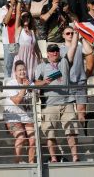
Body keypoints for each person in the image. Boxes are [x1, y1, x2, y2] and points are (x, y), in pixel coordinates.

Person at [34, 30, 80, 163]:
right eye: (52, 51)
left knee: (71, 131)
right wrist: (44, 82)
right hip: (49, 103)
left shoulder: (64, 62)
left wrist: (76, 34)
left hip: (67, 101)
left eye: (56, 51)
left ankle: (75, 157)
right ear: (47, 54)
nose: (55, 53)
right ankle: (53, 158)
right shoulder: (41, 66)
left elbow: (73, 47)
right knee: (50, 133)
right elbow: (35, 83)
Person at [4, 60, 35, 163]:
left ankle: (31, 163)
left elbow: (36, 98)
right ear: (15, 72)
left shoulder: (30, 82)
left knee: (33, 139)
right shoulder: (10, 84)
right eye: (20, 70)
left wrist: (33, 90)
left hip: (27, 116)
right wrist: (25, 88)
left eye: (24, 69)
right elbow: (17, 101)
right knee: (21, 137)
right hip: (12, 117)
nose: (22, 72)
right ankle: (17, 162)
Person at [60, 26, 92, 127]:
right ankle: (74, 133)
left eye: (72, 33)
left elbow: (89, 51)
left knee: (81, 111)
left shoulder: (79, 46)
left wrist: (81, 38)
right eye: (68, 33)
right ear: (63, 35)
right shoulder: (60, 49)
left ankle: (83, 133)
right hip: (67, 83)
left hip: (80, 82)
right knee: (69, 112)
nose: (70, 35)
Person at [11, 0, 41, 81]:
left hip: (31, 58)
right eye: (23, 17)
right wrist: (20, 1)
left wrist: (40, 58)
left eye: (27, 16)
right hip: (21, 57)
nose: (25, 18)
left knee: (31, 78)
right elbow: (17, 15)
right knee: (20, 79)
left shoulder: (33, 31)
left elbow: (36, 47)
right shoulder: (19, 29)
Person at [1, 0, 20, 78]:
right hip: (10, 41)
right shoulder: (5, 8)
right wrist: (12, 7)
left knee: (19, 65)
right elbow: (6, 21)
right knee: (9, 65)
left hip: (20, 40)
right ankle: (7, 85)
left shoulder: (21, 7)